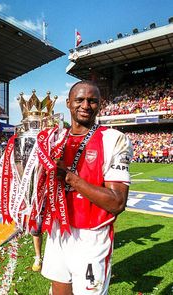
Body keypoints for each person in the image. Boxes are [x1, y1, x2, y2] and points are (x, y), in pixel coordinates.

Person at [41, 80, 133, 295]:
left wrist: (70, 178)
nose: (85, 105)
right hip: (58, 230)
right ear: (68, 103)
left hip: (91, 236)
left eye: (92, 101)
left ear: (100, 105)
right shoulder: (54, 139)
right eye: (79, 100)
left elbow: (117, 202)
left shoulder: (113, 140)